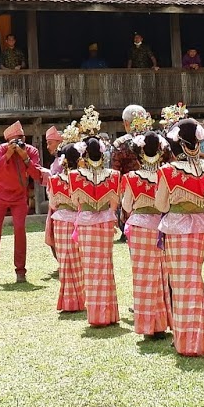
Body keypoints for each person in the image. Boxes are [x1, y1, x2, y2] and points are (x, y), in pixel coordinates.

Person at [157, 117, 204, 356]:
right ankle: (203, 335)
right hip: (201, 225)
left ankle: (190, 341)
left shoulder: (168, 171)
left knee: (183, 283)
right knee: (194, 278)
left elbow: (161, 203)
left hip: (176, 226)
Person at [121, 131, 171, 338]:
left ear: (140, 153)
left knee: (142, 276)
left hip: (140, 227)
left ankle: (147, 323)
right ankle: (162, 322)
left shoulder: (132, 178)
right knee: (162, 274)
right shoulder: (167, 175)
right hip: (161, 227)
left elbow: (126, 205)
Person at [69, 135, 122, 326]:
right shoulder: (113, 175)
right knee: (106, 266)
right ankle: (109, 313)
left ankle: (96, 315)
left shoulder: (75, 176)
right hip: (106, 220)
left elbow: (76, 202)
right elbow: (114, 203)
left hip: (86, 222)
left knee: (91, 269)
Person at [0, 121, 42, 284]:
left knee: (20, 230)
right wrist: (8, 154)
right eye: (14, 141)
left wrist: (25, 158)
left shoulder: (31, 151)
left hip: (19, 197)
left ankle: (20, 271)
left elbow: (37, 175)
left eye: (20, 139)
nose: (17, 143)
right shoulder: (2, 149)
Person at [43, 140, 83, 313]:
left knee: (64, 260)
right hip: (79, 220)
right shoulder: (83, 178)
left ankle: (68, 300)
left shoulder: (54, 180)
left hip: (60, 220)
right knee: (79, 261)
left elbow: (52, 201)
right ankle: (82, 298)